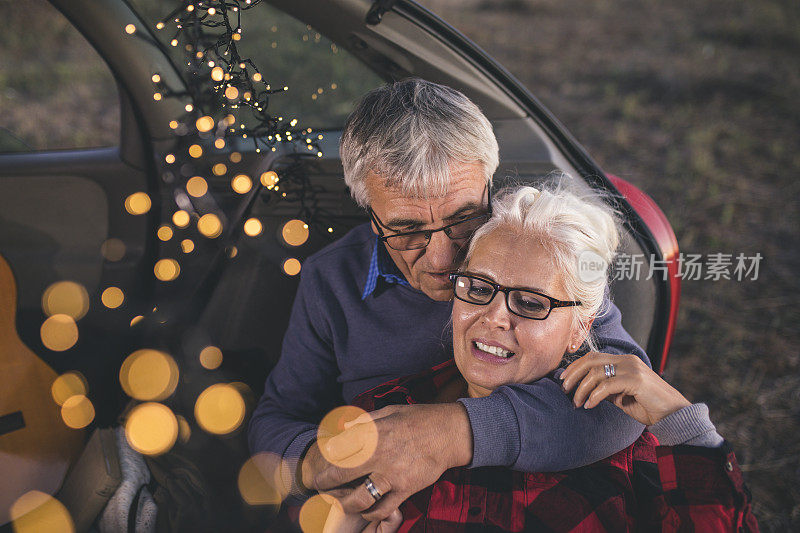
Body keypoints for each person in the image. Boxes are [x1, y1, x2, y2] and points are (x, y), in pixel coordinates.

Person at [248, 79, 648, 519]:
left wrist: (451, 433)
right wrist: (320, 467)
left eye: (464, 218)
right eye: (406, 230)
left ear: (488, 185)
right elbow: (277, 418)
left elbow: (629, 401)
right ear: (371, 215)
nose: (443, 259)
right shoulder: (330, 280)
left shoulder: (543, 251)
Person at [322, 185, 758, 532]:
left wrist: (682, 421)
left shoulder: (629, 452)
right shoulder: (383, 410)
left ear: (581, 329)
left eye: (530, 304)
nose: (494, 319)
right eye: (479, 289)